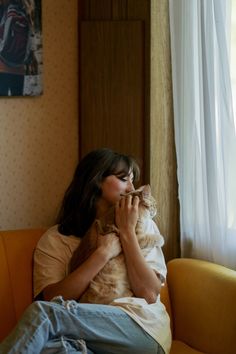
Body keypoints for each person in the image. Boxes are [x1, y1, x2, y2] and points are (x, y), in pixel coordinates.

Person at [0, 148, 172, 354]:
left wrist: (127, 232)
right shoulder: (56, 240)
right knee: (56, 349)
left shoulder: (143, 225)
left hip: (142, 328)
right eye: (124, 179)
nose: (132, 188)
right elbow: (52, 299)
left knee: (44, 315)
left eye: (133, 180)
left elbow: (150, 294)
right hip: (86, 336)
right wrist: (102, 254)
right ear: (97, 180)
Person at [0, 0, 37, 96]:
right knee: (18, 99)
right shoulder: (24, 9)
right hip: (19, 66)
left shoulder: (3, 10)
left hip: (2, 66)